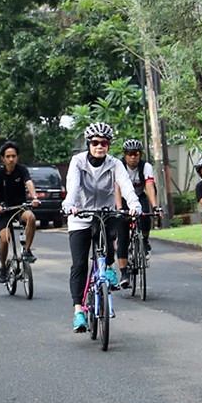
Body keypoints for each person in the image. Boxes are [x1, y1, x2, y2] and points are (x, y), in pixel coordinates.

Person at [63, 123, 141, 333]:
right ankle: (78, 311)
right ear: (89, 144)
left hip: (104, 213)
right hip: (80, 216)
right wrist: (70, 205)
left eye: (104, 143)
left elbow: (126, 186)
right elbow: (73, 186)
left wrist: (134, 204)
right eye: (95, 143)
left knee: (117, 222)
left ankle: (108, 266)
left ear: (108, 145)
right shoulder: (77, 162)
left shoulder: (115, 164)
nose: (100, 146)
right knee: (79, 265)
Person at [0, 141, 40, 283]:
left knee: (30, 217)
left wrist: (34, 197)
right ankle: (2, 267)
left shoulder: (22, 170)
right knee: (5, 239)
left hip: (19, 207)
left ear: (17, 157)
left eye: (13, 156)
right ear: (3, 158)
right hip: (2, 210)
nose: (11, 159)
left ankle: (27, 250)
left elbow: (29, 183)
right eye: (8, 156)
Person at [115, 138, 161, 290]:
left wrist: (155, 207)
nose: (133, 157)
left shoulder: (145, 166)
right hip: (123, 198)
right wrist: (120, 209)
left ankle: (145, 240)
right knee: (122, 234)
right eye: (129, 154)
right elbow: (117, 188)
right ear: (125, 155)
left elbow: (149, 186)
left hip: (139, 197)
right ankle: (124, 273)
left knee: (146, 214)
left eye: (136, 154)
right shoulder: (119, 165)